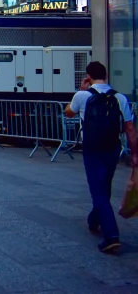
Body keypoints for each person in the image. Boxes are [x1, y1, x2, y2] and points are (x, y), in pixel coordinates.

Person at [65, 61, 138, 254]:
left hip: (92, 148)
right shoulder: (120, 98)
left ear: (88, 77)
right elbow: (130, 129)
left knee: (98, 191)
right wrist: (135, 154)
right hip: (113, 148)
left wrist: (81, 89)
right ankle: (93, 220)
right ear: (106, 75)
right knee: (104, 186)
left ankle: (111, 235)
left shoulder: (83, 96)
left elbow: (69, 112)